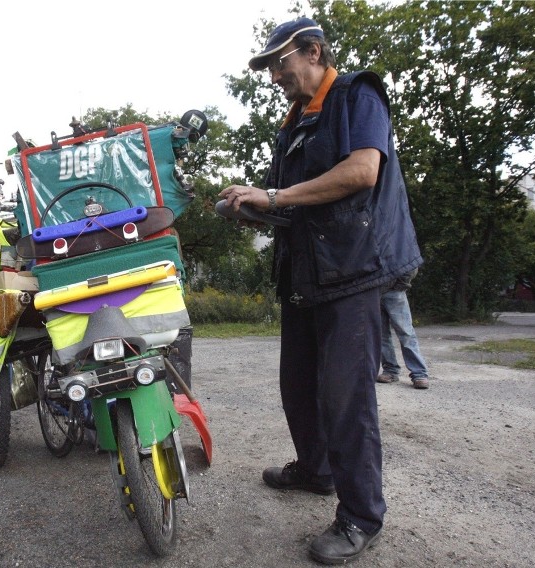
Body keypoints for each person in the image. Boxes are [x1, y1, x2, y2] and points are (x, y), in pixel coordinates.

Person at [219, 16, 423, 565]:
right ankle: (317, 471)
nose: (273, 77)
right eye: (268, 68)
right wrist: (258, 210)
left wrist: (275, 195)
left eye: (279, 64)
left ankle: (361, 516)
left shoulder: (356, 95)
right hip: (305, 274)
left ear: (312, 52)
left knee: (344, 396)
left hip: (353, 272)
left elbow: (361, 172)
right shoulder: (293, 122)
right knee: (298, 385)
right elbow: (294, 202)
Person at [378, 269, 430, 389]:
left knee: (406, 333)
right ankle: (390, 371)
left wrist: (401, 284)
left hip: (395, 291)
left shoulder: (396, 248)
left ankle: (419, 373)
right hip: (373, 292)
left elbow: (410, 262)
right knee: (380, 335)